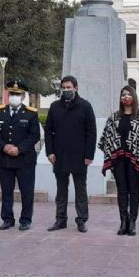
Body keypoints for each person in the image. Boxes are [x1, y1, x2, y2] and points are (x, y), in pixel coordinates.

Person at [98, 85, 139, 236]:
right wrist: (110, 154)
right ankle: (123, 221)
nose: (125, 97)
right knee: (122, 191)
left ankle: (133, 222)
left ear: (134, 97)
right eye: (123, 95)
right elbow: (105, 138)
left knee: (134, 191)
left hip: (135, 160)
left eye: (128, 95)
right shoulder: (114, 117)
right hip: (119, 160)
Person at [45, 75, 97, 232]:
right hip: (59, 156)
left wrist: (89, 155)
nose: (66, 90)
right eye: (64, 88)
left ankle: (81, 220)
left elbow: (91, 132)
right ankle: (60, 219)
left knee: (80, 189)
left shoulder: (85, 106)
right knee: (61, 190)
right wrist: (50, 152)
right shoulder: (55, 107)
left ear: (76, 88)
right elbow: (48, 130)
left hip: (79, 156)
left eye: (69, 87)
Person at [0, 80, 40, 231]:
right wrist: (4, 146)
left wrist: (19, 149)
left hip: (25, 160)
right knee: (6, 191)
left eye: (17, 94)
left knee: (26, 191)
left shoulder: (31, 113)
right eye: (12, 94)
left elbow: (34, 136)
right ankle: (7, 218)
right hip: (5, 159)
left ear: (23, 96)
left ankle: (25, 220)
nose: (14, 96)